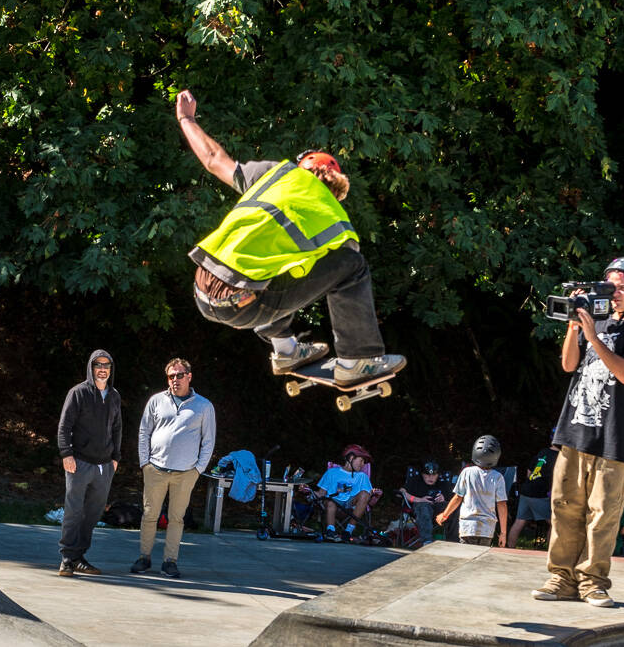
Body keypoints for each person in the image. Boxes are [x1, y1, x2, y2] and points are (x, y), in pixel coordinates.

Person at [174, 89, 405, 383]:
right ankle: (356, 360)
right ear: (336, 191)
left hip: (202, 291)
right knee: (351, 265)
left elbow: (213, 159)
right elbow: (341, 272)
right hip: (243, 304)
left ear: (303, 167)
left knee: (283, 263)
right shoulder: (333, 214)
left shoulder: (276, 175)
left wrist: (186, 119)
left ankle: (285, 350)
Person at [533, 257, 624, 608]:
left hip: (616, 436)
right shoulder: (598, 320)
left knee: (603, 514)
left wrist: (594, 336)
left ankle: (592, 582)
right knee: (564, 507)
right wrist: (575, 327)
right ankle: (561, 577)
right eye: (610, 287)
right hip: (575, 429)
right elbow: (569, 365)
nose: (615, 294)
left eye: (622, 288)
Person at [130, 359, 216, 579]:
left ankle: (170, 561)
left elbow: (208, 441)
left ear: (189, 376)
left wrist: (198, 470)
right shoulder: (156, 400)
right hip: (155, 469)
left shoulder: (204, 406)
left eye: (179, 375)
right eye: (171, 376)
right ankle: (144, 557)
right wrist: (144, 463)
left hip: (186, 473)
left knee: (177, 519)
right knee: (150, 515)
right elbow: (144, 432)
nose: (175, 380)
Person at [57, 350, 122, 577]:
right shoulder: (78, 393)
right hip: (80, 462)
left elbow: (117, 428)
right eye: (98, 365)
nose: (102, 369)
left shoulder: (114, 395)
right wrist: (67, 454)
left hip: (104, 466)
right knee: (74, 511)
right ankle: (66, 557)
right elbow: (64, 426)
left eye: (107, 365)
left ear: (111, 369)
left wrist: (116, 458)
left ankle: (78, 557)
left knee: (93, 513)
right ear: (91, 367)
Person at [436, 435, 507, 547]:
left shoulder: (467, 472)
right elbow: (502, 505)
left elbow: (457, 498)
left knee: (467, 558)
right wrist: (503, 533)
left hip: (467, 527)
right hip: (487, 529)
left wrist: (444, 515)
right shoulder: (498, 477)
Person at [316, 444, 376, 542]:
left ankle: (348, 531)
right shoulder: (332, 472)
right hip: (332, 503)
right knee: (331, 501)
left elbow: (369, 501)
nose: (362, 464)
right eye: (361, 461)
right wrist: (309, 492)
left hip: (350, 505)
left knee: (365, 493)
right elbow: (321, 493)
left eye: (364, 462)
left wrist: (375, 495)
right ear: (351, 458)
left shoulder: (362, 476)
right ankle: (330, 531)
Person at [506, 444, 560, 548]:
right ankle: (551, 552)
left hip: (526, 490)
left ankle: (509, 548)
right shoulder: (559, 456)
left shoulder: (543, 452)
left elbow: (529, 472)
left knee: (519, 521)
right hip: (539, 494)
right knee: (555, 523)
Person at [399, 460, 453, 544]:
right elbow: (401, 491)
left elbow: (454, 497)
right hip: (420, 510)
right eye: (427, 474)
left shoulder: (443, 483)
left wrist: (444, 497)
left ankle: (454, 541)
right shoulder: (416, 481)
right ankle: (427, 541)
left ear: (438, 475)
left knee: (454, 508)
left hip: (440, 511)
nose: (430, 477)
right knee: (423, 506)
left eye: (434, 475)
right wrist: (418, 499)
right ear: (422, 474)